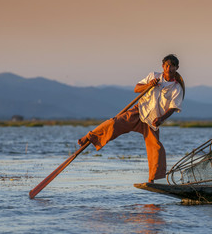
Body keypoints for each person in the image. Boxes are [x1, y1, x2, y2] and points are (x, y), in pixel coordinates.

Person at [78, 54, 185, 183]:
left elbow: (173, 107)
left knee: (156, 148)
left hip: (153, 121)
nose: (169, 68)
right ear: (163, 66)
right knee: (113, 124)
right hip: (139, 111)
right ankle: (90, 137)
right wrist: (148, 85)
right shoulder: (153, 76)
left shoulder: (177, 88)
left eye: (172, 66)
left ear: (177, 68)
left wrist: (162, 119)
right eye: (167, 65)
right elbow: (136, 89)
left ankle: (152, 180)